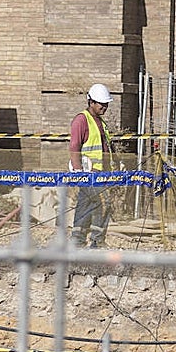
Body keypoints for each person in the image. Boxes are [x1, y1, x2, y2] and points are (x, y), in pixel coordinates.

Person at [69, 83, 114, 247]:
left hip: (101, 173)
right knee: (103, 203)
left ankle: (77, 241)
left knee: (85, 205)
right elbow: (74, 147)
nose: (105, 107)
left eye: (106, 103)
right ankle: (97, 241)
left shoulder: (100, 122)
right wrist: (78, 171)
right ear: (91, 102)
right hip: (88, 174)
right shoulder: (82, 120)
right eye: (101, 104)